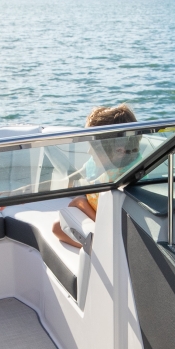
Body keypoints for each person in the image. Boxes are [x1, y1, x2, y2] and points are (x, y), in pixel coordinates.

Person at [52, 104, 139, 248]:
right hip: (102, 217)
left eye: (95, 147)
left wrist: (80, 203)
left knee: (57, 228)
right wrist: (26, 191)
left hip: (114, 233)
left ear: (119, 151)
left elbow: (115, 225)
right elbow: (72, 179)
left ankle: (97, 251)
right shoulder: (113, 162)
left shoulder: (123, 180)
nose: (89, 152)